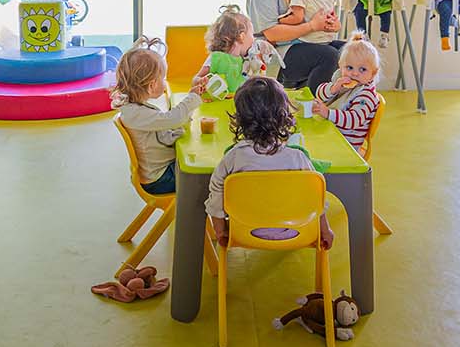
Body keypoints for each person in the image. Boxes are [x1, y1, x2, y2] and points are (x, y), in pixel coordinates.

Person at [207, 77, 334, 250]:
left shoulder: (233, 158)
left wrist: (220, 230)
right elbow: (316, 198)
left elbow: (216, 193)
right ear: (284, 116)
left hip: (244, 233)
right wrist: (324, 230)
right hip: (296, 231)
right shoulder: (297, 157)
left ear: (240, 119)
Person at [112, 37, 210, 195]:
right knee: (205, 179)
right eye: (163, 79)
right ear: (151, 86)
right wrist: (193, 98)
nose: (165, 83)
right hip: (159, 179)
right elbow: (173, 118)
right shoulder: (137, 114)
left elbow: (163, 127)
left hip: (158, 171)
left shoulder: (134, 108)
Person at [309, 34, 382, 151]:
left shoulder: (366, 95)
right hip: (330, 134)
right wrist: (334, 88)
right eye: (349, 68)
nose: (355, 73)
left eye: (362, 69)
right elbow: (320, 95)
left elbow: (354, 120)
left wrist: (328, 113)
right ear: (340, 66)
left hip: (346, 146)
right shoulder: (341, 83)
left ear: (373, 73)